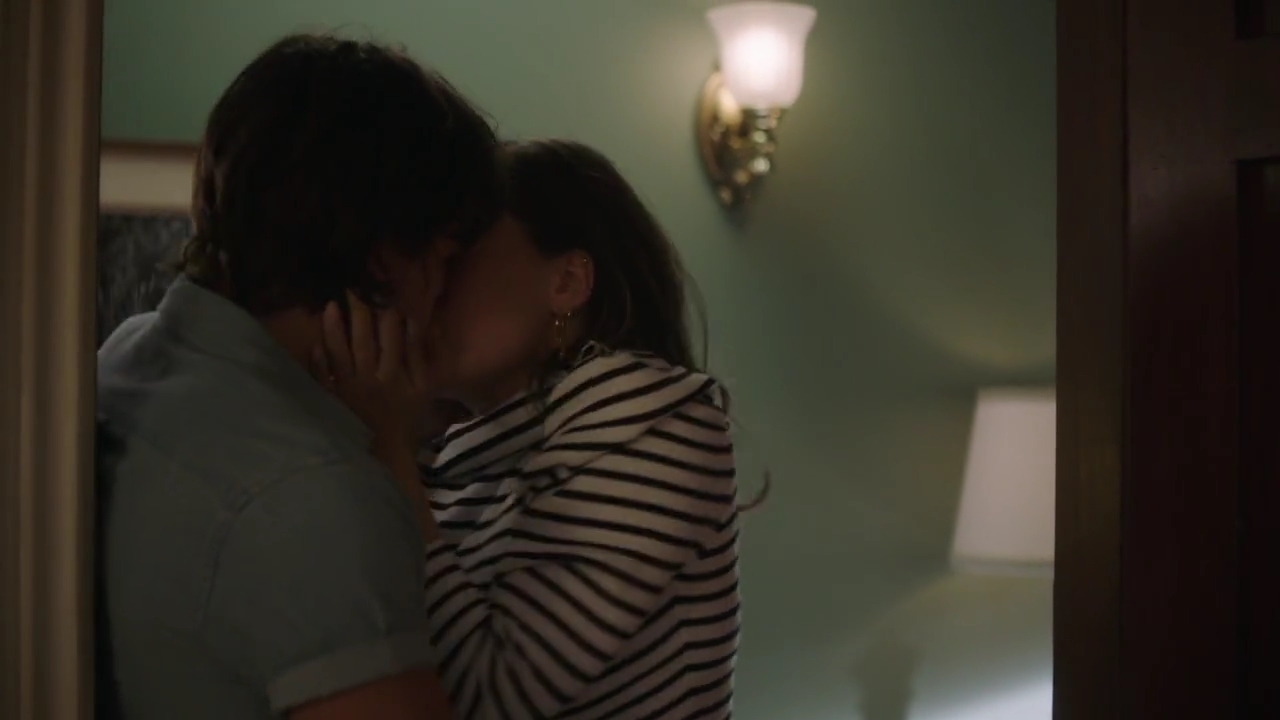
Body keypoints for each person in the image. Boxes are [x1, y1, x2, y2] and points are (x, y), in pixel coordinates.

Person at [96, 33, 502, 719]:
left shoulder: (125, 355)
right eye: (443, 260)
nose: (444, 296)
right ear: (384, 262)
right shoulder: (316, 498)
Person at [313, 139, 742, 720]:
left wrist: (390, 452)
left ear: (566, 282)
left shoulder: (653, 419)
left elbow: (498, 695)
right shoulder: (467, 450)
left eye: (458, 260)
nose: (426, 290)